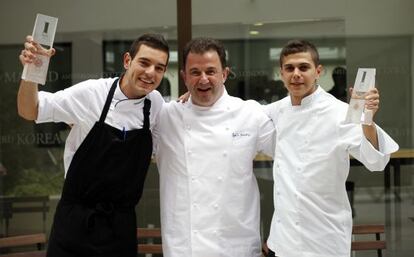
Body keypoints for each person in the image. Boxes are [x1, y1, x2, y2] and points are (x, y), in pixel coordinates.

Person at [18, 33, 169, 257]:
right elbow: (30, 110)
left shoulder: (155, 104)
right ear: (127, 61)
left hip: (120, 229)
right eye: (144, 63)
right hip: (75, 224)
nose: (151, 73)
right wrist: (31, 71)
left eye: (159, 68)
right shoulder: (91, 94)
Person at [263, 40, 399, 257]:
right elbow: (232, 114)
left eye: (303, 67)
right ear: (281, 73)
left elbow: (376, 162)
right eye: (289, 68)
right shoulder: (273, 112)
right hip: (283, 241)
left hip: (325, 239)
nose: (296, 74)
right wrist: (190, 102)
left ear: (318, 71)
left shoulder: (340, 112)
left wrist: (367, 120)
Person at [153, 38, 276, 257]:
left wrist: (279, 235)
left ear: (225, 74)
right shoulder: (165, 116)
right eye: (195, 72)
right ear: (183, 76)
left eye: (211, 71)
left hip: (237, 245)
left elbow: (291, 160)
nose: (203, 79)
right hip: (184, 246)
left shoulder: (250, 114)